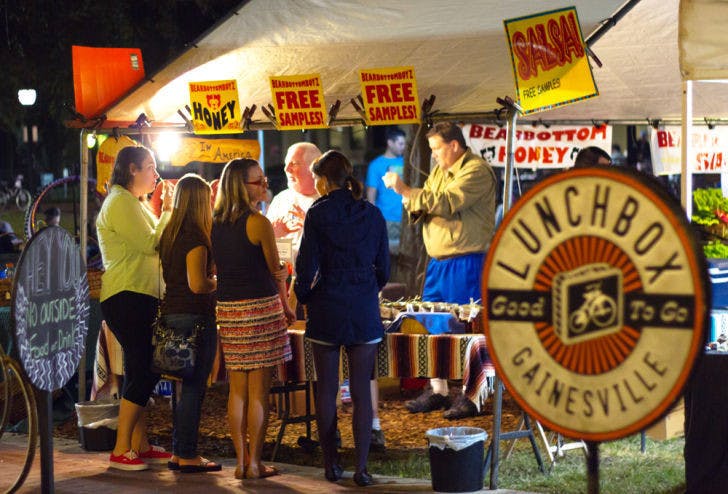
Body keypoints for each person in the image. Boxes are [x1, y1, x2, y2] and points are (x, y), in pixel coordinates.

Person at [384, 121, 496, 419]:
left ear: (454, 146)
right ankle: (439, 390)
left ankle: (472, 395)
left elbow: (446, 203)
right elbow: (426, 204)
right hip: (438, 261)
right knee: (433, 326)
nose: (433, 155)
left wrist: (406, 189)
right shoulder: (439, 171)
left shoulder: (476, 171)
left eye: (436, 149)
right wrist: (411, 199)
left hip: (467, 260)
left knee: (468, 328)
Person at [294, 150, 390, 487]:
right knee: (362, 388)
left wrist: (304, 296)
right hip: (363, 307)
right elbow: (385, 269)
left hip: (327, 307)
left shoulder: (317, 214)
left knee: (327, 388)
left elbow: (306, 266)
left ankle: (331, 465)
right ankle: (362, 468)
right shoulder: (373, 214)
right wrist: (366, 288)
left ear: (321, 180)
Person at [211, 158, 295, 480]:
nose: (265, 185)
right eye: (257, 181)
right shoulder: (258, 222)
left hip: (230, 311)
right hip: (261, 307)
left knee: (237, 390)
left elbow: (216, 269)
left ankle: (240, 461)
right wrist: (287, 304)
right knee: (259, 391)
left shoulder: (215, 223)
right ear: (240, 186)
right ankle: (256, 463)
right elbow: (276, 269)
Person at [96, 145, 175, 470]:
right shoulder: (119, 202)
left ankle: (138, 443)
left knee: (140, 369)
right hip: (126, 295)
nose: (155, 175)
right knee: (143, 368)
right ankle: (120, 448)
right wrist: (168, 210)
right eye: (150, 168)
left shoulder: (133, 202)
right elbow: (150, 243)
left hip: (138, 295)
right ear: (132, 169)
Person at [158, 174, 221, 473]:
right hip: (194, 319)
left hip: (171, 314)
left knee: (182, 388)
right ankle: (187, 453)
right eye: (207, 199)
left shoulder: (170, 234)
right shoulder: (195, 237)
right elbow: (198, 284)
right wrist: (218, 283)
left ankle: (177, 451)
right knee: (194, 387)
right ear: (200, 202)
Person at [266, 142, 322, 258]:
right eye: (286, 163)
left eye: (294, 164)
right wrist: (270, 234)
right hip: (283, 273)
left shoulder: (329, 202)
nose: (287, 169)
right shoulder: (280, 199)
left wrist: (311, 226)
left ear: (313, 168)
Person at [365, 127, 406, 254]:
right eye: (400, 143)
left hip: (406, 217)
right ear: (390, 143)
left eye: (404, 143)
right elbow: (371, 195)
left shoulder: (407, 162)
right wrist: (373, 220)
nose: (403, 147)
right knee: (387, 256)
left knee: (405, 257)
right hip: (386, 218)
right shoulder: (376, 165)